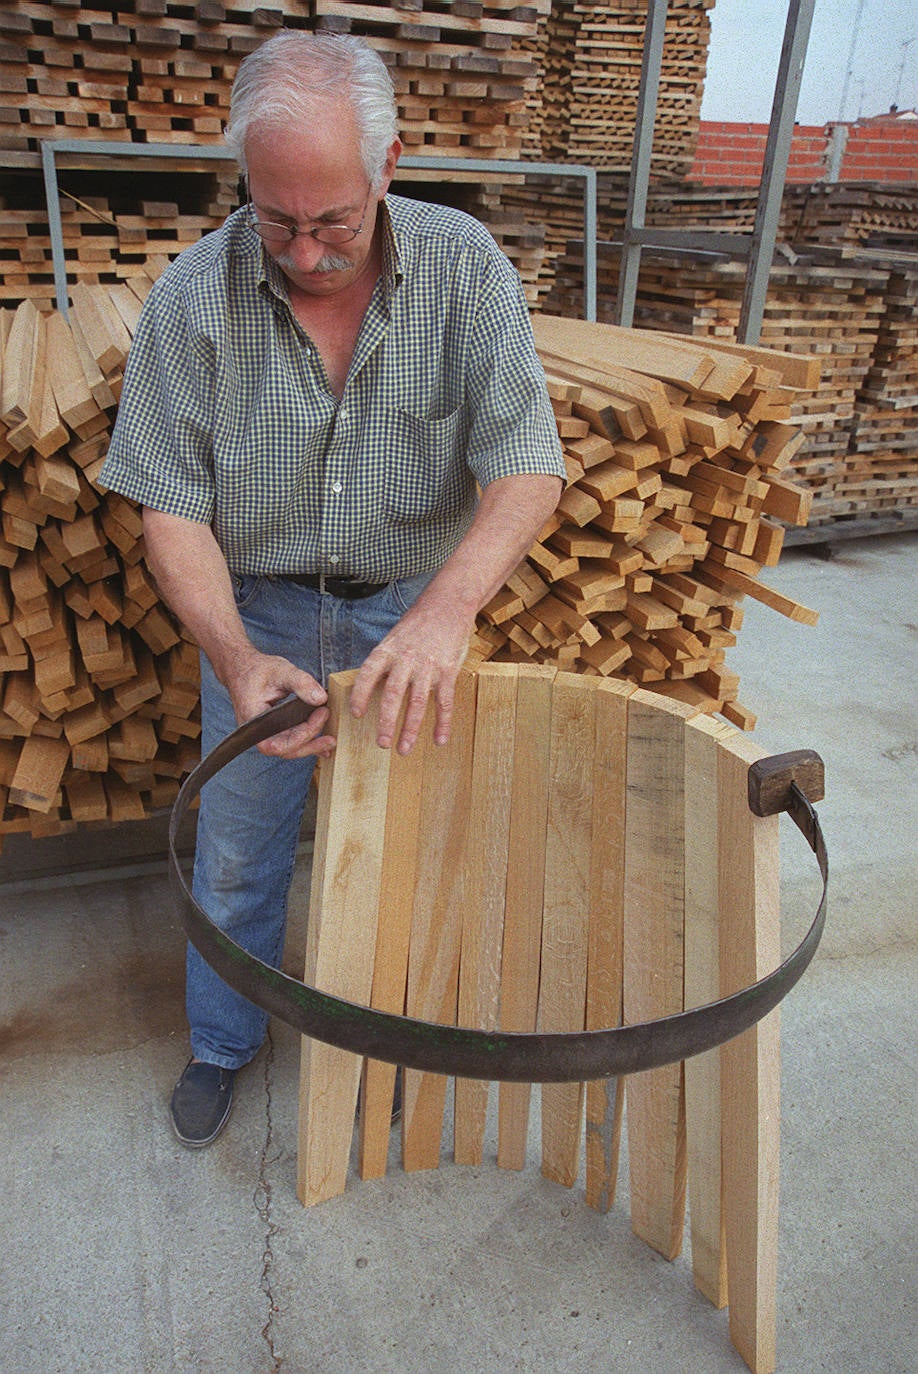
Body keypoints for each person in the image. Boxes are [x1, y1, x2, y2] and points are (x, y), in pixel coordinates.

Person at [101, 31, 565, 1148]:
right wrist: (234, 655)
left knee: (407, 845)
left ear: (389, 164)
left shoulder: (463, 268)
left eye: (335, 224)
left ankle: (391, 1043)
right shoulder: (192, 299)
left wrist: (445, 614)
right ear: (246, 186)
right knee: (239, 850)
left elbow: (528, 464)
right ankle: (223, 1043)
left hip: (407, 603)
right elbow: (170, 506)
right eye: (278, 220)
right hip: (259, 604)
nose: (307, 255)